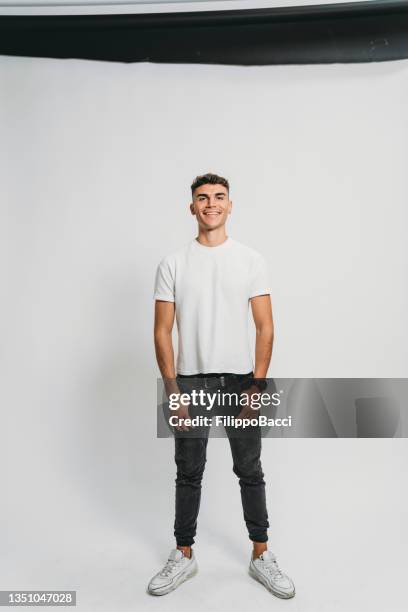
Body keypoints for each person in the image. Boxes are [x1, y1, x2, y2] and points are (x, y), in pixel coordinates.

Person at [148, 172, 295, 599]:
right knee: (188, 472)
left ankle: (260, 554)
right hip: (190, 380)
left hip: (240, 381)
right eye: (202, 198)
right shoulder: (172, 263)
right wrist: (172, 389)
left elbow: (265, 327)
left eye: (219, 197)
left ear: (230, 205)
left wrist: (257, 386)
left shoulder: (251, 260)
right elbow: (162, 332)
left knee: (250, 469)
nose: (211, 204)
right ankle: (184, 554)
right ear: (191, 207)